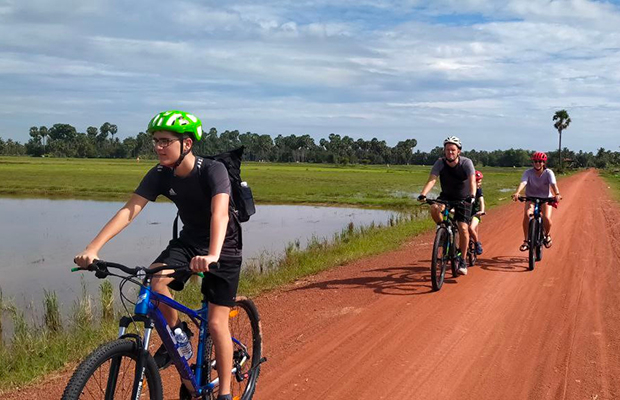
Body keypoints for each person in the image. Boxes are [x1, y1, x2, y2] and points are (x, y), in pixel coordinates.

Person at [74, 110, 241, 400]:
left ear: (186, 144)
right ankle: (179, 334)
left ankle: (225, 393)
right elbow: (129, 211)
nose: (158, 147)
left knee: (216, 323)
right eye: (155, 141)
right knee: (155, 279)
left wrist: (213, 254)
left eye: (165, 141)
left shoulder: (212, 170)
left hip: (223, 245)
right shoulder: (160, 174)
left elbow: (220, 214)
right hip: (189, 241)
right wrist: (93, 247)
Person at [418, 136, 476, 275]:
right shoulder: (440, 163)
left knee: (463, 227)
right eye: (447, 149)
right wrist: (423, 194)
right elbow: (432, 180)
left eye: (453, 150)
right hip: (446, 196)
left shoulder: (466, 163)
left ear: (458, 151)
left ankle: (462, 260)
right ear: (444, 151)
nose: (450, 152)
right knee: (434, 208)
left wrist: (472, 195)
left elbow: (472, 181)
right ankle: (443, 229)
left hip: (464, 198)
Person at [511, 151, 562, 251]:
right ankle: (526, 241)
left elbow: (553, 184)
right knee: (527, 214)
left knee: (546, 218)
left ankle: (547, 235)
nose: (537, 163)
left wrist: (557, 194)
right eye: (535, 161)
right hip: (531, 198)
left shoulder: (548, 173)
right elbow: (523, 182)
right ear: (532, 162)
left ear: (543, 163)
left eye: (540, 161)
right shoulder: (528, 172)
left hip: (546, 198)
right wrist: (517, 192)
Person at [469, 170, 486, 255]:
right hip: (465, 212)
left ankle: (477, 243)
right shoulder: (466, 189)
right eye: (477, 181)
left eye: (480, 181)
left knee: (471, 228)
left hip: (475, 214)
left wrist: (482, 211)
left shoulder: (479, 190)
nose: (479, 184)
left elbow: (481, 201)